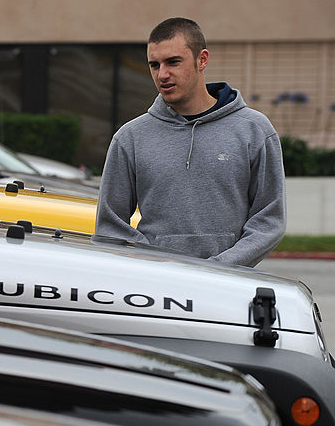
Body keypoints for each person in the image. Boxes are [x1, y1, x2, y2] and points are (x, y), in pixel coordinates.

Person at [96, 17, 285, 267]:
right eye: (154, 65)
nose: (162, 74)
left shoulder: (255, 130)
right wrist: (157, 265)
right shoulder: (130, 138)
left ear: (202, 59)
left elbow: (269, 220)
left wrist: (220, 267)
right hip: (156, 289)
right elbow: (110, 225)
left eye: (173, 62)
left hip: (228, 285)